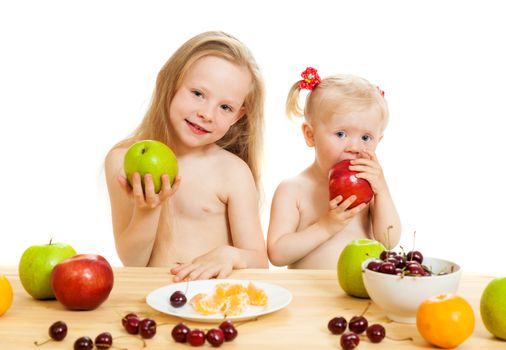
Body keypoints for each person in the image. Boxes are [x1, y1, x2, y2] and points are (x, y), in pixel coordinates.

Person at [105, 31, 268, 280]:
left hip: (212, 302)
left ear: (238, 116)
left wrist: (230, 254)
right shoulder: (121, 159)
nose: (207, 113)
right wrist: (147, 209)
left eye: (225, 107)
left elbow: (259, 263)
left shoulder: (231, 172)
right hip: (152, 300)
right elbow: (132, 261)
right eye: (198, 94)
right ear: (167, 82)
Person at [267, 67, 401, 269]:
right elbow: (277, 254)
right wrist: (325, 226)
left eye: (366, 138)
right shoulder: (293, 189)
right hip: (310, 295)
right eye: (340, 134)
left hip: (360, 293)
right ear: (310, 135)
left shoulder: (370, 188)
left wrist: (382, 191)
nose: (354, 148)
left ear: (379, 140)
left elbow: (389, 240)